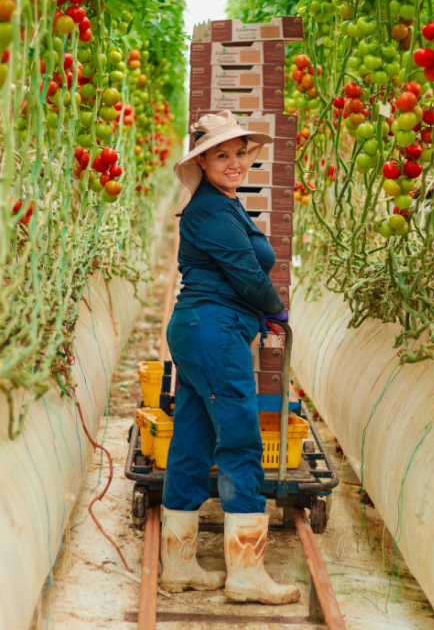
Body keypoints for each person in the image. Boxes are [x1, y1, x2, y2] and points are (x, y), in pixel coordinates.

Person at [160, 110, 299, 605]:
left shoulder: (222, 203)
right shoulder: (212, 211)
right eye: (223, 154)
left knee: (192, 440)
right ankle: (245, 574)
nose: (236, 162)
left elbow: (234, 277)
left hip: (207, 329)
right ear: (203, 160)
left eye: (241, 152)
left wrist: (256, 313)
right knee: (239, 439)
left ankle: (178, 568)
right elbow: (245, 273)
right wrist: (276, 310)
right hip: (213, 332)